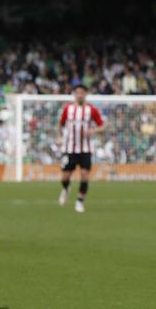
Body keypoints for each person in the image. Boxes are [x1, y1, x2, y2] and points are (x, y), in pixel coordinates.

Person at [58, 84, 104, 213]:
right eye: (77, 92)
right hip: (69, 148)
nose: (80, 95)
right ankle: (66, 189)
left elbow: (102, 126)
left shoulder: (92, 110)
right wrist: (59, 136)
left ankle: (79, 201)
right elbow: (61, 124)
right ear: (74, 94)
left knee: (84, 175)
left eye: (82, 93)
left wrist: (93, 130)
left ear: (85, 94)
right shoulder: (68, 109)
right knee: (65, 177)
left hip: (85, 149)